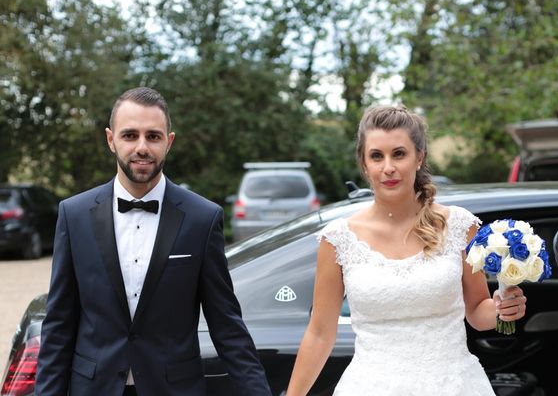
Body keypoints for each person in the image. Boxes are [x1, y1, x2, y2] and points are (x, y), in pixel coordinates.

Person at [36, 87, 271, 396]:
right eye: (130, 135)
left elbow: (226, 324)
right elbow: (58, 325)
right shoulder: (74, 215)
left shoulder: (202, 218)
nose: (142, 147)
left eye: (153, 136)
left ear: (168, 142)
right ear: (111, 140)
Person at [286, 105, 527, 395]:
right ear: (364, 164)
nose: (388, 167)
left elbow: (477, 312)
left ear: (419, 157)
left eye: (398, 154)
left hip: (453, 385)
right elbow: (320, 334)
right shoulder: (338, 239)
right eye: (377, 156)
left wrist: (502, 308)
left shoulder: (460, 226)